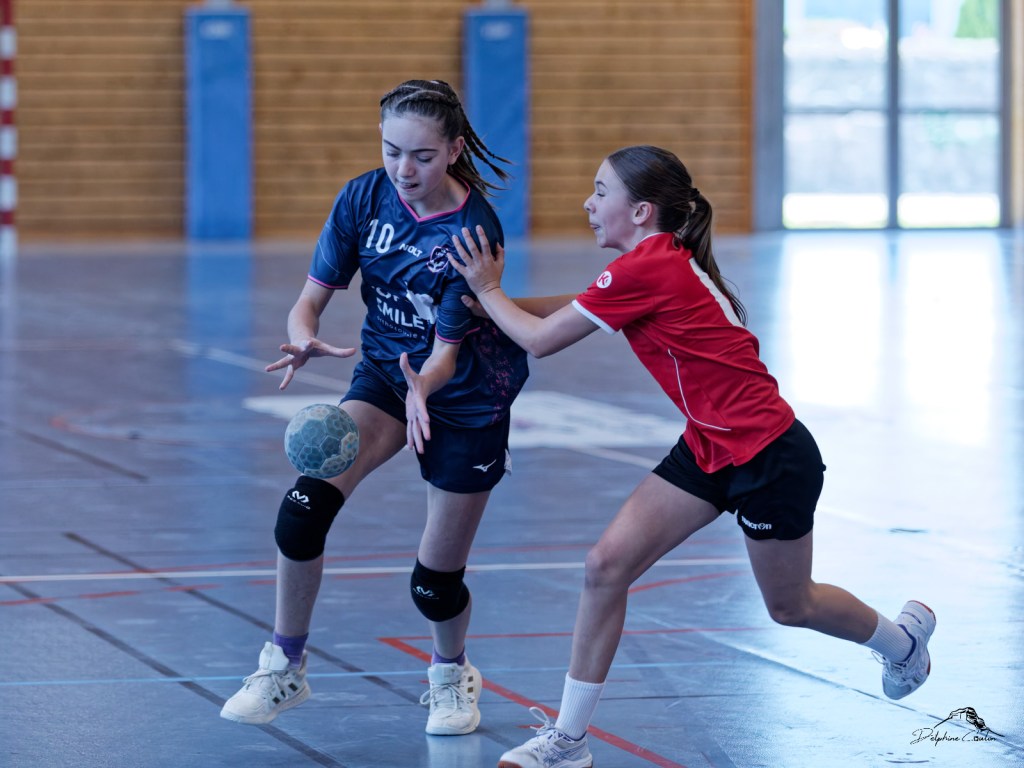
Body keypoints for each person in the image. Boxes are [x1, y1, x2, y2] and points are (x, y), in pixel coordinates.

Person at [448, 145, 936, 768]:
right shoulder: (648, 264)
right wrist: (487, 307)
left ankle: (902, 644)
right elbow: (573, 308)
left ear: (641, 211)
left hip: (769, 455)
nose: (588, 204)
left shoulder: (647, 267)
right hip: (707, 446)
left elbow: (541, 341)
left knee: (792, 606)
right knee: (605, 567)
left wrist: (488, 290)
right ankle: (568, 741)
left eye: (601, 192)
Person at [219, 79, 529, 737]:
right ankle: (285, 665)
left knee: (433, 584)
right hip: (387, 380)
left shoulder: (473, 231)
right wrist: (303, 335)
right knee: (302, 512)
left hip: (465, 397)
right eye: (391, 151)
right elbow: (310, 299)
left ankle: (451, 673)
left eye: (421, 156)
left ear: (453, 150)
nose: (403, 169)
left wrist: (426, 387)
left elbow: (445, 353)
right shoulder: (364, 197)